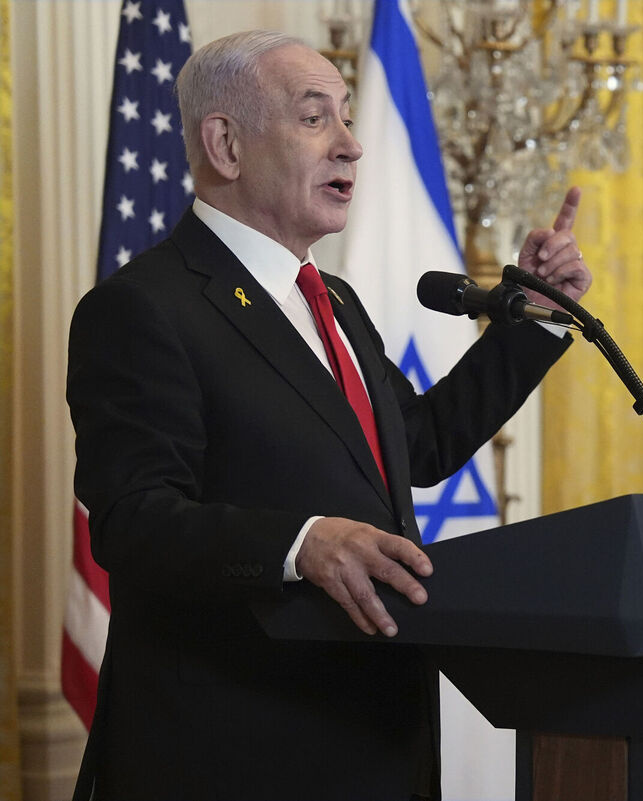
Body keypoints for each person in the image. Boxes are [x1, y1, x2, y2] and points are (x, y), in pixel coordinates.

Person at [66, 30, 591, 801]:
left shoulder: (331, 299)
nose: (351, 144)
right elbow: (133, 521)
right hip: (236, 755)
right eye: (315, 118)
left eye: (347, 115)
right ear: (225, 145)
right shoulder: (143, 308)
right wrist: (301, 543)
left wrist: (534, 319)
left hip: (377, 737)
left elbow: (417, 444)